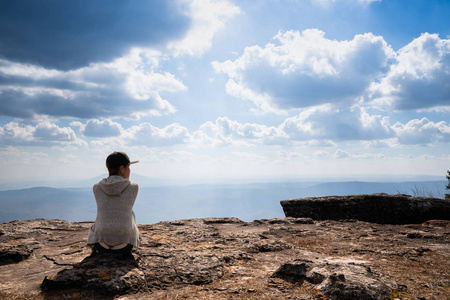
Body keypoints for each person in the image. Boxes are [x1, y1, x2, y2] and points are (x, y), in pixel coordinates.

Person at [87, 151, 140, 257]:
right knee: (131, 213)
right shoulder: (134, 186)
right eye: (128, 167)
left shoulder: (96, 187)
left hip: (100, 245)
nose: (130, 170)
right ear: (122, 168)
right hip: (125, 246)